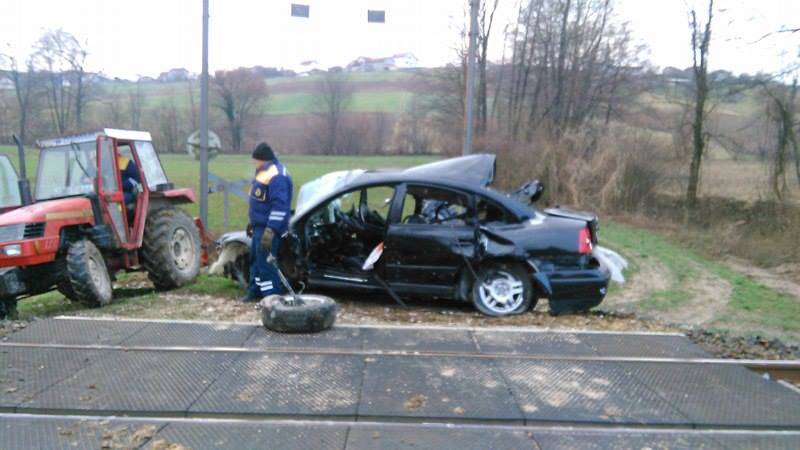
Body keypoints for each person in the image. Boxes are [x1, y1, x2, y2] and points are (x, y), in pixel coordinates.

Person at [242, 142, 293, 302]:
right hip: (259, 226)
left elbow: (280, 206)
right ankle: (255, 291)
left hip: (268, 228)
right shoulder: (263, 171)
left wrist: (271, 230)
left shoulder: (277, 176)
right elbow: (258, 200)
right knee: (256, 262)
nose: (253, 163)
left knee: (266, 264)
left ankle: (271, 298)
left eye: (255, 160)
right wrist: (253, 222)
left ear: (263, 159)